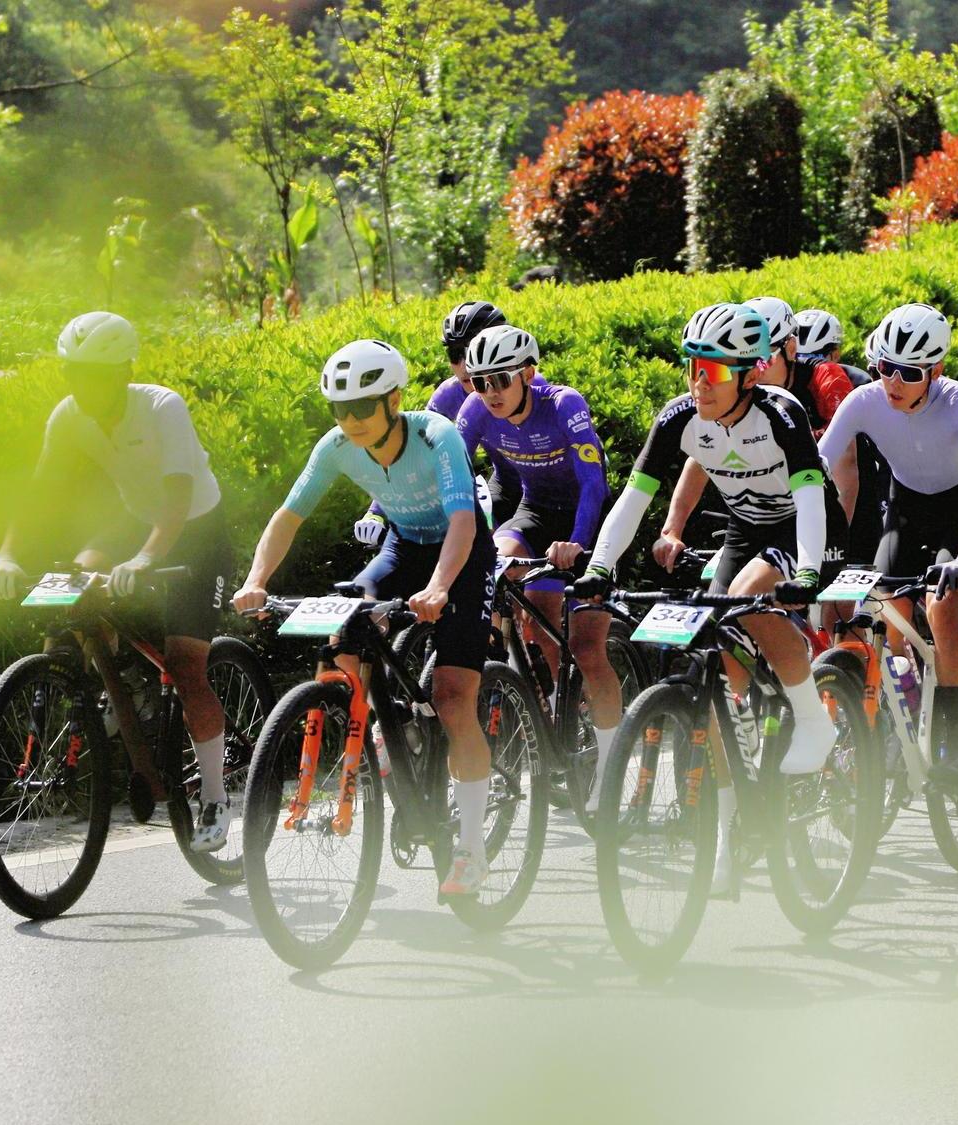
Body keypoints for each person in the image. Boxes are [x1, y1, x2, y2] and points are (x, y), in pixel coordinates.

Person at [572, 302, 838, 895]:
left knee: (745, 601)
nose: (699, 383)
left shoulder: (783, 413)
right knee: (719, 669)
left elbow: (812, 499)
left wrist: (808, 572)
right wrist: (598, 569)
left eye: (713, 372)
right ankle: (727, 834)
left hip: (805, 529)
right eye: (692, 368)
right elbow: (634, 499)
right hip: (746, 532)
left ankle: (813, 720)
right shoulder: (680, 418)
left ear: (748, 374)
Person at [231, 339, 501, 899]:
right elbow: (287, 517)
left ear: (393, 400)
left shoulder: (437, 436)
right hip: (403, 548)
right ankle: (377, 728)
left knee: (454, 699)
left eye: (361, 407)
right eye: (340, 409)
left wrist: (439, 588)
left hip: (462, 552)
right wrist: (256, 580)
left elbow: (463, 523)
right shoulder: (336, 447)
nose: (350, 420)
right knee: (343, 640)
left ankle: (471, 848)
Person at [0, 312, 234, 851]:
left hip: (196, 531)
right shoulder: (69, 415)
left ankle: (215, 796)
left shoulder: (162, 407)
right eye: (73, 373)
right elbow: (37, 494)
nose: (82, 385)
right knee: (73, 581)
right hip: (135, 521)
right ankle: (111, 677)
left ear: (123, 371)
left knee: (186, 666)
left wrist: (146, 558)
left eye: (94, 375)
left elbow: (177, 496)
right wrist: (4, 556)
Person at [817, 302, 958, 787]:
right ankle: (906, 714)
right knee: (883, 613)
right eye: (885, 368)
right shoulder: (864, 401)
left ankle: (954, 741)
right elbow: (815, 468)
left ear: (935, 371)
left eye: (909, 373)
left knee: (940, 608)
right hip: (906, 510)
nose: (893, 382)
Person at [452, 324, 614, 739]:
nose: (490, 392)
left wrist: (578, 543)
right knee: (495, 563)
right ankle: (551, 701)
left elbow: (593, 484)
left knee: (587, 649)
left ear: (527, 373)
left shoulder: (563, 404)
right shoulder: (475, 410)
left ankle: (611, 750)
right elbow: (452, 476)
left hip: (586, 514)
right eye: (480, 382)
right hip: (537, 509)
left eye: (500, 380)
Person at [353, 300, 513, 549]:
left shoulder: (528, 387)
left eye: (472, 350)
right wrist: (376, 512)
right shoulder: (450, 393)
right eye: (454, 354)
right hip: (504, 486)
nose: (463, 365)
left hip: (552, 495)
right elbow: (413, 456)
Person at [791, 306, 890, 564]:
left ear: (835, 354)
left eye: (816, 356)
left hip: (863, 478)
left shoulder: (858, 383)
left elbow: (871, 456)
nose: (807, 364)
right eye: (799, 357)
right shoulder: (787, 383)